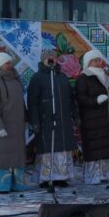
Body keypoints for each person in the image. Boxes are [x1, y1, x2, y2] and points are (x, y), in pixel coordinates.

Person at [27, 50, 77, 188]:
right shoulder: (37, 78)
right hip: (46, 119)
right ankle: (46, 177)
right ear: (43, 60)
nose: (51, 60)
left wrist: (75, 115)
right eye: (48, 58)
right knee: (47, 149)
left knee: (62, 149)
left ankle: (61, 177)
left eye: (53, 58)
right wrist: (34, 121)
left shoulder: (62, 77)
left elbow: (70, 99)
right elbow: (32, 102)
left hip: (63, 119)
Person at [0, 52, 29, 193]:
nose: (10, 65)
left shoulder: (15, 79)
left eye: (10, 62)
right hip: (2, 128)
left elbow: (20, 103)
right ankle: (1, 185)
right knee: (1, 156)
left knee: (17, 156)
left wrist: (27, 118)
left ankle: (17, 184)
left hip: (17, 126)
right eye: (6, 63)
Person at [75, 50, 109, 185]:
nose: (99, 63)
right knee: (93, 147)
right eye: (96, 60)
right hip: (90, 119)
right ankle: (92, 176)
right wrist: (95, 100)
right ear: (89, 62)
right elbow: (81, 98)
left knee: (103, 146)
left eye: (100, 60)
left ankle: (103, 174)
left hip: (104, 117)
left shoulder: (104, 75)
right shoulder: (84, 78)